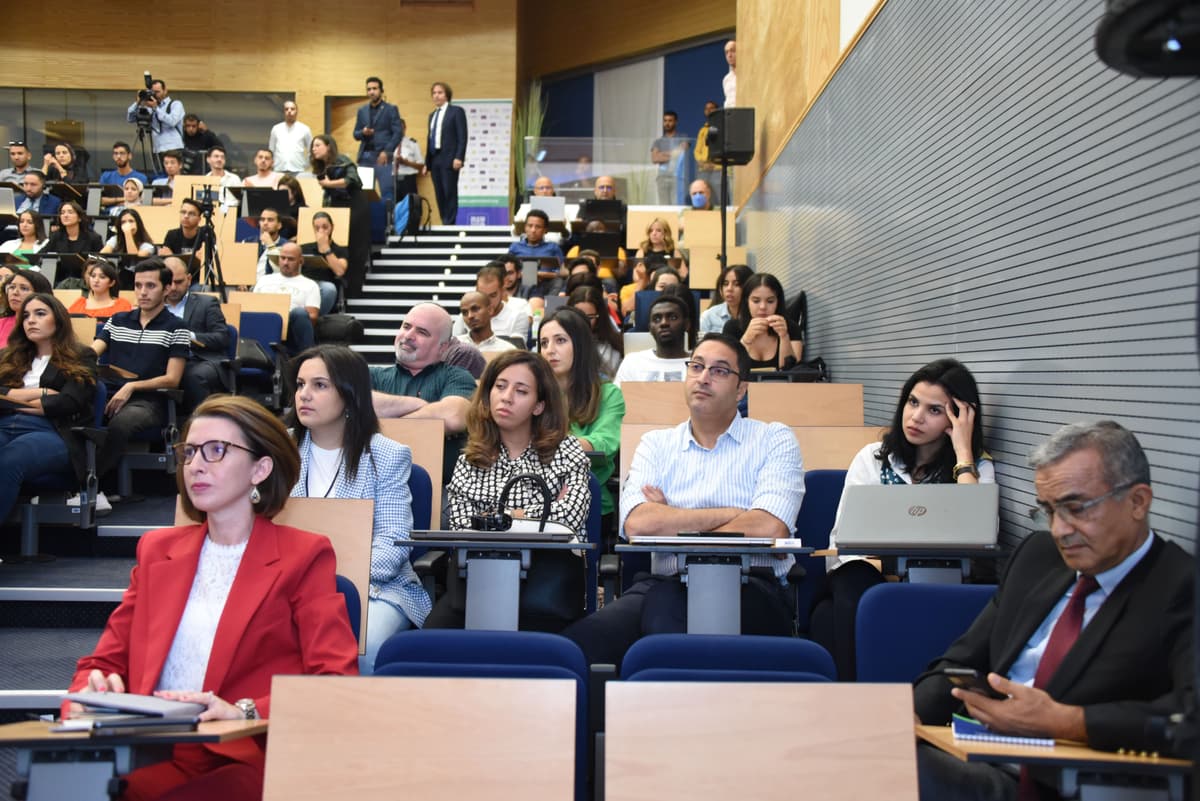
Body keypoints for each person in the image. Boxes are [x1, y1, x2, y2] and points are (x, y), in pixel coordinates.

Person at [67, 394, 359, 801]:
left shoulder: (303, 556)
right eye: (189, 452)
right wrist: (91, 690)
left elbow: (334, 683)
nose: (196, 465)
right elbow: (102, 663)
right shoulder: (157, 551)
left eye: (216, 450)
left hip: (243, 754)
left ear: (260, 468)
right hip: (151, 749)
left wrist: (245, 711)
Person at [914, 420, 1194, 800]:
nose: (1060, 529)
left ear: (1137, 502)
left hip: (1062, 783)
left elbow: (1190, 717)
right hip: (974, 757)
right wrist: (907, 716)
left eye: (1076, 509)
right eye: (1048, 510)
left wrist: (1069, 722)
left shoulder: (1179, 587)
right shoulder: (1039, 557)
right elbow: (960, 662)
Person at [562, 333, 803, 667]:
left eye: (719, 371)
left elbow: (769, 526)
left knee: (667, 625)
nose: (703, 377)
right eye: (697, 367)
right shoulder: (655, 444)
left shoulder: (773, 439)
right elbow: (638, 524)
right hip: (662, 581)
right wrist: (734, 514)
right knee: (576, 648)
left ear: (741, 388)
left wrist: (673, 516)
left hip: (749, 585)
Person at [811, 358, 994, 679]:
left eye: (934, 410)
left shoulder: (976, 469)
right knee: (851, 580)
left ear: (959, 417)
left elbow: (978, 539)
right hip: (869, 578)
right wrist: (896, 571)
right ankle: (863, 700)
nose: (916, 417)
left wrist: (964, 456)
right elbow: (845, 545)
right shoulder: (872, 458)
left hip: (947, 578)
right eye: (912, 402)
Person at [287, 345, 430, 673]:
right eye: (300, 384)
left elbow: (393, 540)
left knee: (360, 648)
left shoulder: (387, 456)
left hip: (375, 586)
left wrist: (336, 579)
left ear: (350, 395)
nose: (304, 395)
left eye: (319, 385)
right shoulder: (277, 451)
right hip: (290, 584)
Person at [430, 349, 593, 631]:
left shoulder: (566, 451)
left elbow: (569, 520)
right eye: (500, 386)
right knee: (426, 649)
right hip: (477, 581)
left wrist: (496, 516)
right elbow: (460, 524)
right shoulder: (470, 457)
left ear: (539, 405)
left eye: (521, 391)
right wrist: (533, 515)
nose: (506, 397)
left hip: (545, 587)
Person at [91, 259, 191, 486]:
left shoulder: (177, 327)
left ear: (167, 289)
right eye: (138, 286)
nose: (143, 292)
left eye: (151, 286)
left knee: (120, 424)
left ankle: (91, 484)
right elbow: (92, 352)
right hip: (109, 392)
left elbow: (173, 378)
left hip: (150, 401)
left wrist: (132, 386)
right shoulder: (117, 320)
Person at [0, 293, 98, 520]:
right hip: (5, 425)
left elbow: (69, 401)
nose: (30, 320)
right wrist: (41, 394)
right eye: (25, 316)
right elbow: (53, 399)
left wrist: (11, 401)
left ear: (59, 319)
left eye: (40, 314)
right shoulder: (7, 357)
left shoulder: (82, 356)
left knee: (9, 460)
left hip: (52, 431)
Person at [369, 303, 476, 484]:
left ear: (443, 347)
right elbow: (352, 404)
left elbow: (453, 417)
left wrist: (382, 425)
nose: (409, 336)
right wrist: (419, 405)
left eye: (422, 332)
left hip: (441, 490)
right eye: (406, 326)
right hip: (375, 485)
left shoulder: (457, 376)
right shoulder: (373, 375)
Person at [539, 307, 625, 523]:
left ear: (581, 345)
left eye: (560, 341)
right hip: (530, 497)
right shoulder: (532, 392)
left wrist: (544, 444)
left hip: (588, 502)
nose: (550, 350)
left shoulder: (608, 394)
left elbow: (604, 443)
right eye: (544, 343)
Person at [164, 256, 232, 412]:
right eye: (169, 282)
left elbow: (222, 337)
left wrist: (191, 337)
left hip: (200, 359)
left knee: (192, 375)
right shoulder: (154, 306)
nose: (173, 287)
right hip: (163, 359)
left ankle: (200, 424)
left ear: (189, 279)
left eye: (179, 282)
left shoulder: (206, 303)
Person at [311, 135, 368, 294]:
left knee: (356, 246)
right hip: (337, 207)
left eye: (317, 145)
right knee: (342, 244)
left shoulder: (341, 159)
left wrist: (329, 184)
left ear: (328, 146)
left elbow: (352, 179)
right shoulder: (321, 166)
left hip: (354, 204)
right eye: (312, 146)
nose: (313, 149)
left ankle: (355, 289)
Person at [722, 272, 803, 369]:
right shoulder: (732, 327)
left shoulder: (790, 327)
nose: (763, 307)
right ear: (746, 301)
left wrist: (784, 337)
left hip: (779, 384)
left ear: (778, 302)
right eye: (756, 301)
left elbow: (792, 371)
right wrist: (746, 339)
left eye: (770, 301)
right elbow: (727, 367)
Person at [614, 293, 691, 386]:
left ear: (687, 324)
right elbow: (619, 399)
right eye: (657, 319)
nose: (664, 323)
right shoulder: (633, 362)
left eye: (672, 317)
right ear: (650, 328)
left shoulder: (699, 364)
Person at [254, 242, 318, 355]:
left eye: (290, 259)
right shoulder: (264, 280)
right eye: (282, 258)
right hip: (264, 323)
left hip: (291, 330)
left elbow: (312, 317)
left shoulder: (310, 285)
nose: (285, 262)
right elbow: (252, 305)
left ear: (301, 261)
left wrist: (285, 316)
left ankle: (308, 357)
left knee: (299, 313)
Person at [353, 76, 403, 209]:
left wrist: (387, 152)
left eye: (374, 88)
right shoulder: (362, 110)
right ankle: (366, 225)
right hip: (365, 156)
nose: (371, 92)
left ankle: (389, 226)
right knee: (362, 192)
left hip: (383, 157)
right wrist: (363, 132)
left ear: (381, 90)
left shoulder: (391, 109)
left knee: (387, 192)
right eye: (369, 89)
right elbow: (355, 134)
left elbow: (398, 133)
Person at [450, 262, 531, 342]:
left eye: (493, 295)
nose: (487, 301)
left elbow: (516, 353)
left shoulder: (518, 317)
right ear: (476, 291)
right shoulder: (466, 317)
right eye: (482, 295)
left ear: (502, 291)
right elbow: (454, 349)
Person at [425, 81, 468, 226]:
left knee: (449, 191)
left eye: (440, 92)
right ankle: (445, 221)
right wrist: (427, 163)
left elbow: (462, 136)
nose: (436, 96)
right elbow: (429, 138)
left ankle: (450, 224)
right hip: (435, 158)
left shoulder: (456, 111)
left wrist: (459, 157)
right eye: (434, 93)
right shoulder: (432, 115)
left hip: (449, 158)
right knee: (439, 193)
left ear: (447, 95)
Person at [625, 218, 686, 318]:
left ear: (665, 233)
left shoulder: (673, 252)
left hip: (668, 289)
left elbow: (683, 274)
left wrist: (670, 274)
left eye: (658, 230)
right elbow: (635, 277)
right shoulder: (642, 251)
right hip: (647, 287)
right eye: (651, 231)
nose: (654, 233)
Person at [566, 283, 623, 379]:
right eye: (578, 315)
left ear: (599, 317)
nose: (583, 321)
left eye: (590, 317)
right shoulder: (559, 342)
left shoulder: (613, 347)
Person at [298, 211, 349, 314]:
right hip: (304, 285)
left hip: (323, 287)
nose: (321, 231)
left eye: (325, 227)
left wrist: (326, 248)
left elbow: (340, 271)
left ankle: (314, 319)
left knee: (329, 289)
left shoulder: (340, 250)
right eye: (317, 228)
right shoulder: (304, 248)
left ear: (332, 227)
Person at [126, 78, 185, 163]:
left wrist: (156, 108)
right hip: (157, 149)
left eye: (157, 92)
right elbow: (130, 118)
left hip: (173, 147)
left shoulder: (175, 104)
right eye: (153, 92)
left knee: (175, 175)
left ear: (165, 91)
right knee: (160, 175)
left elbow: (172, 121)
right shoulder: (149, 107)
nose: (155, 94)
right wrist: (138, 102)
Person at [100, 208, 156, 288]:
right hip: (121, 279)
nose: (127, 225)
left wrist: (128, 234)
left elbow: (133, 256)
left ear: (138, 224)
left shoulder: (147, 245)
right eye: (123, 222)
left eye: (131, 221)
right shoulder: (115, 239)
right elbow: (102, 254)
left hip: (140, 279)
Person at [159, 198, 208, 280]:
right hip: (175, 279)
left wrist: (173, 257)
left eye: (191, 214)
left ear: (199, 219)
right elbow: (166, 259)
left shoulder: (205, 234)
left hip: (197, 279)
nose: (186, 216)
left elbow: (202, 260)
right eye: (183, 212)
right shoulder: (171, 234)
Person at [0, 269, 52, 345]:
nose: (15, 292)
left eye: (24, 288)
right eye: (12, 287)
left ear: (40, 294)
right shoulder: (1, 324)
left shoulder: (48, 326)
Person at [699, 263, 752, 334]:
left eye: (736, 284)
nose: (729, 289)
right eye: (726, 284)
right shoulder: (709, 316)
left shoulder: (756, 314)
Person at [98, 141, 149, 209]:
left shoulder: (141, 178)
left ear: (130, 156)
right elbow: (98, 200)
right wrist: (125, 199)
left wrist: (112, 201)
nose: (119, 156)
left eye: (122, 153)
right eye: (116, 153)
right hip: (109, 216)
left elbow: (145, 200)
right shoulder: (106, 176)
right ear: (113, 156)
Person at [651, 111, 686, 205]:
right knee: (663, 206)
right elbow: (655, 159)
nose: (667, 123)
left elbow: (680, 154)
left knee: (677, 206)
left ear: (675, 122)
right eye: (665, 120)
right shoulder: (658, 141)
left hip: (677, 176)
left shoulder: (682, 138)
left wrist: (662, 154)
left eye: (670, 120)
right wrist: (673, 154)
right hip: (662, 177)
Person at [268, 100, 313, 175]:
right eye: (286, 109)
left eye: (292, 109)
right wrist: (272, 165)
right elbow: (271, 149)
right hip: (278, 169)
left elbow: (311, 150)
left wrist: (306, 165)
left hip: (298, 169)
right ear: (284, 112)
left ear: (296, 111)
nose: (289, 111)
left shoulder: (305, 129)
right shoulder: (276, 129)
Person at [692, 100, 721, 199]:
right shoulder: (702, 130)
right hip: (703, 169)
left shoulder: (722, 128)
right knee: (703, 197)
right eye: (706, 109)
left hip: (717, 169)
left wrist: (715, 164)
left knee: (719, 198)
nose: (708, 110)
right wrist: (703, 163)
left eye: (711, 108)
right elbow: (697, 151)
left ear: (717, 110)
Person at [392, 118, 424, 201]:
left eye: (401, 128)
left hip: (408, 180)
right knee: (395, 209)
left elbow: (421, 165)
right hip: (393, 180)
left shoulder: (412, 143)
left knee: (411, 208)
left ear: (405, 128)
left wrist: (407, 163)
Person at [723, 40, 737, 107]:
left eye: (732, 51)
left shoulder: (748, 75)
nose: (729, 55)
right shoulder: (726, 79)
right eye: (726, 52)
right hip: (731, 115)